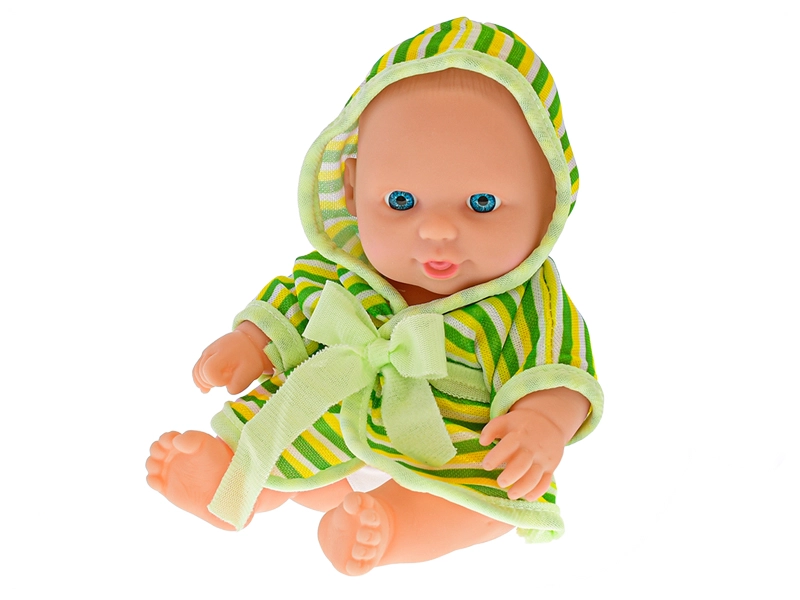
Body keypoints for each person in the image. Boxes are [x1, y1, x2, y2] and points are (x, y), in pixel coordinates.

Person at [146, 17, 603, 576]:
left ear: (550, 198)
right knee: (274, 433)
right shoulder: (344, 269)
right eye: (402, 201)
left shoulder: (528, 302)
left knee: (488, 504)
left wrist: (545, 425)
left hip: (453, 449)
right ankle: (229, 486)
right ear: (353, 187)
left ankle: (392, 529)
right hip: (327, 422)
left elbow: (560, 371)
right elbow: (292, 303)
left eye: (481, 203)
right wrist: (250, 343)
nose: (436, 230)